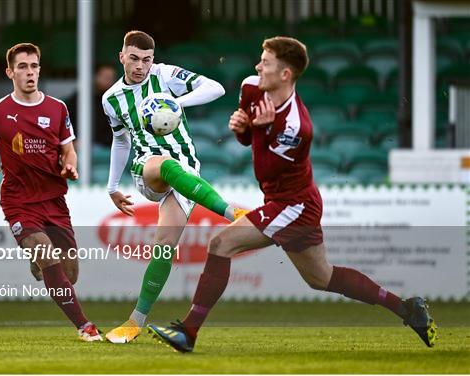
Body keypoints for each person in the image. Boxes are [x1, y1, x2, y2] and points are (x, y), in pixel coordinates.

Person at [147, 36, 438, 352]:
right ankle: (408, 308)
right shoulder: (251, 87)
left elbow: (267, 168)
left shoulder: (297, 126)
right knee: (321, 278)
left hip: (294, 205)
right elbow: (248, 142)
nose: (258, 66)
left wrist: (259, 130)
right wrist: (242, 128)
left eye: (266, 62)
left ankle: (188, 332)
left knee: (221, 244)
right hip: (287, 203)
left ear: (285, 74)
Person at [102, 30, 247, 343]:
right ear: (122, 56)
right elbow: (119, 140)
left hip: (187, 172)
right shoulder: (111, 99)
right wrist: (113, 185)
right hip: (148, 169)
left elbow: (216, 88)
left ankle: (134, 322)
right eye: (134, 58)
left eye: (147, 59)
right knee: (164, 166)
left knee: (164, 245)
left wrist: (172, 103)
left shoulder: (165, 75)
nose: (141, 65)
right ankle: (233, 211)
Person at [0, 43, 102, 342]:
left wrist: (70, 166)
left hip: (54, 200)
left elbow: (69, 150)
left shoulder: (58, 108)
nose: (30, 72)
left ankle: (38, 263)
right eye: (23, 67)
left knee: (70, 274)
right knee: (46, 254)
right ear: (10, 72)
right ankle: (85, 326)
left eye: (35, 66)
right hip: (18, 201)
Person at [66, 64, 118, 148]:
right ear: (95, 77)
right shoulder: (80, 99)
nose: (109, 81)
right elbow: (68, 122)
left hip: (106, 147)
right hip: (81, 146)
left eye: (111, 78)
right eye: (106, 77)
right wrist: (73, 140)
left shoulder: (116, 101)